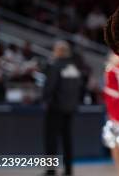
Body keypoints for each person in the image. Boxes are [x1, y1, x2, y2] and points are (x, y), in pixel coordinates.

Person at [43, 40, 83, 176]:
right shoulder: (74, 67)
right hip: (70, 109)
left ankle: (51, 171)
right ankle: (68, 170)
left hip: (55, 108)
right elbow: (80, 87)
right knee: (67, 140)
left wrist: (45, 99)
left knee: (51, 140)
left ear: (58, 51)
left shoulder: (55, 66)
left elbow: (49, 87)